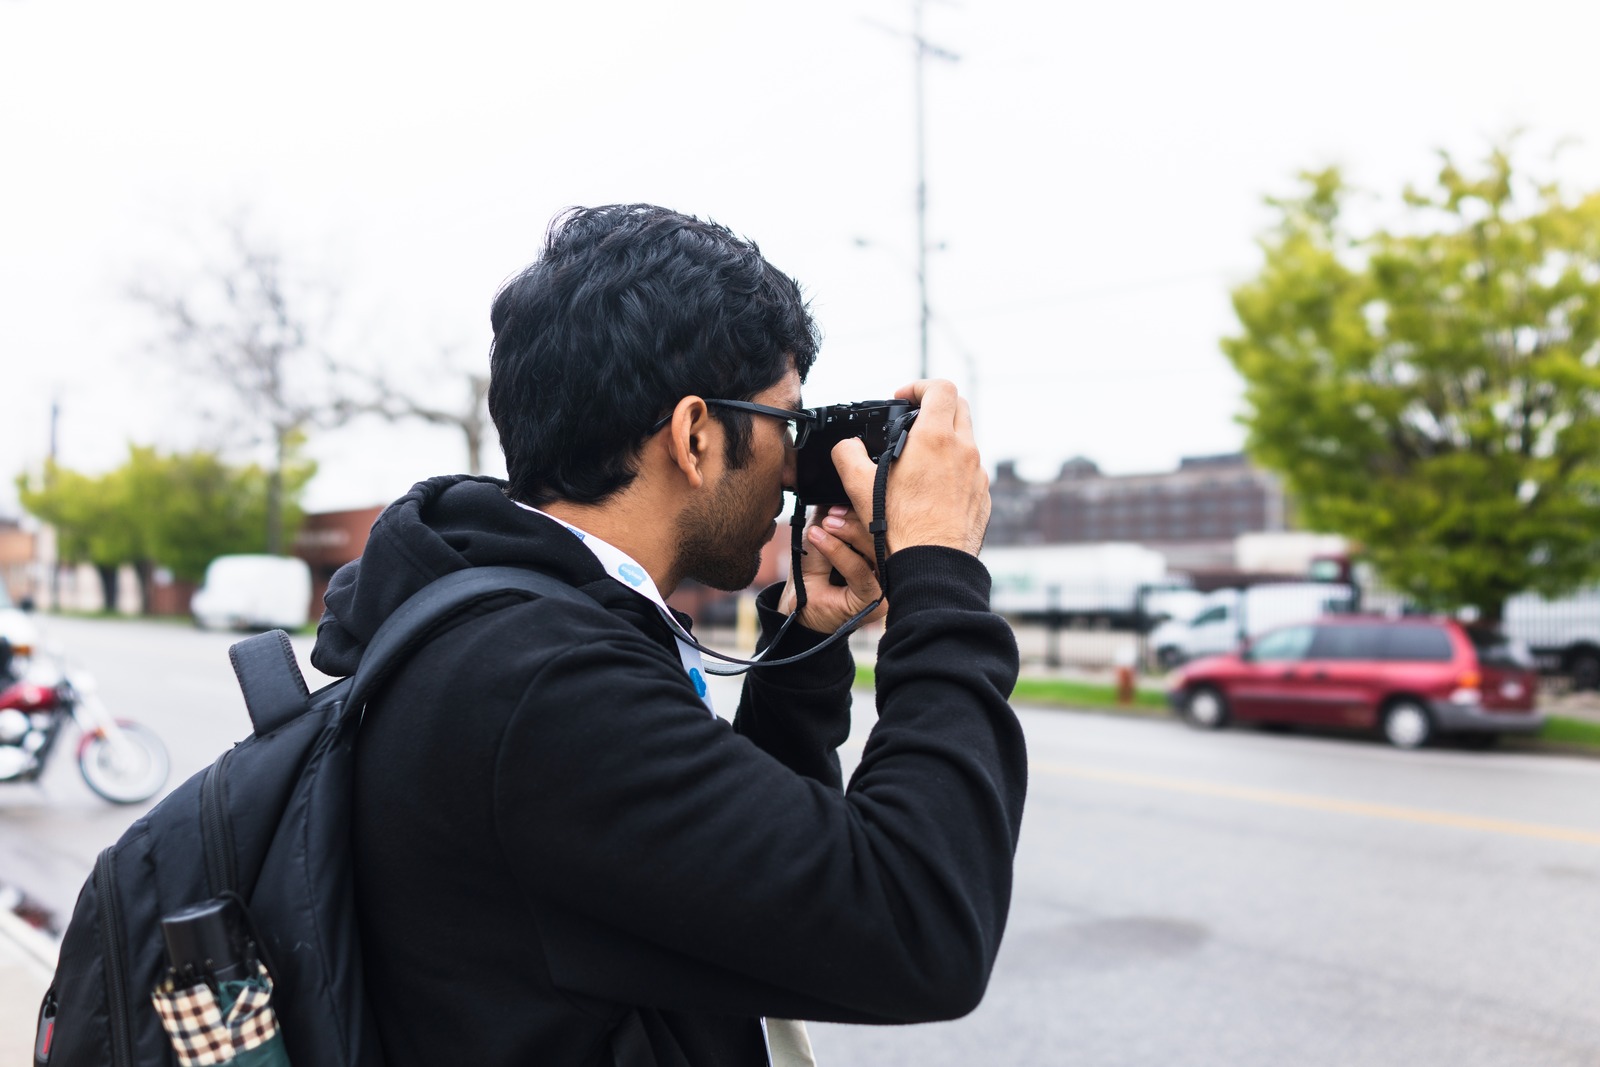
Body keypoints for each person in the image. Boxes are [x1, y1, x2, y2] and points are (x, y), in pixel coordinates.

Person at [311, 204, 1027, 1066]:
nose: (793, 468)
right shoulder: (535, 684)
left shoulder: (521, 629)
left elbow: (745, 899)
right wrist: (940, 576)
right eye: (786, 424)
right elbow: (920, 925)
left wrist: (808, 636)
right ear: (694, 435)